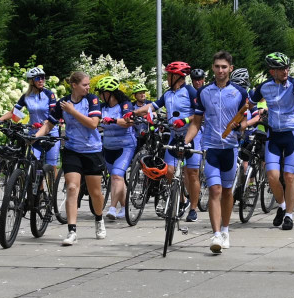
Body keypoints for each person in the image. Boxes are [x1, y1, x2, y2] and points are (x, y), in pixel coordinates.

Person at [183, 51, 249, 253]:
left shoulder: (240, 92)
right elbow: (196, 122)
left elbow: (244, 120)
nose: (220, 70)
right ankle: (216, 234)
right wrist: (186, 141)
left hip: (230, 148)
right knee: (215, 190)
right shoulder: (204, 92)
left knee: (227, 191)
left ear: (230, 68)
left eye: (224, 67)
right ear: (212, 68)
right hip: (210, 147)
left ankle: (226, 229)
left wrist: (241, 127)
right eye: (217, 66)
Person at [35, 71, 104, 246]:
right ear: (74, 85)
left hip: (92, 150)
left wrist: (72, 112)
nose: (88, 87)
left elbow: (93, 123)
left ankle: (99, 218)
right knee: (72, 188)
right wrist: (35, 137)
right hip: (72, 150)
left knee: (95, 192)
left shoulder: (92, 100)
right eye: (85, 85)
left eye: (88, 84)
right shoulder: (63, 103)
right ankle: (72, 230)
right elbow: (49, 123)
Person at [132, 61, 202, 223]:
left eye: (169, 75)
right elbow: (152, 106)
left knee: (192, 173)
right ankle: (183, 201)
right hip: (174, 135)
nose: (167, 78)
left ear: (177, 77)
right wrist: (133, 113)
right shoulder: (168, 93)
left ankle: (193, 208)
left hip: (191, 135)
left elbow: (200, 114)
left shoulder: (190, 92)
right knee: (169, 170)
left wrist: (185, 120)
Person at [251, 52, 294, 230]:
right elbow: (250, 102)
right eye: (280, 69)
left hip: (292, 132)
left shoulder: (293, 83)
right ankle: (282, 206)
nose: (285, 71)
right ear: (272, 71)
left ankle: (289, 216)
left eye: (286, 68)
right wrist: (258, 108)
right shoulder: (264, 86)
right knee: (272, 176)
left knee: (290, 176)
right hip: (274, 134)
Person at [0, 66, 60, 177]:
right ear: (31, 81)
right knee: (34, 164)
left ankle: (52, 193)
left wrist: (46, 122)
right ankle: (38, 191)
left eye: (43, 78)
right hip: (34, 135)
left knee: (51, 165)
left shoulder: (49, 94)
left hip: (50, 133)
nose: (41, 80)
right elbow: (14, 113)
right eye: (37, 78)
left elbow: (53, 113)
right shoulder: (26, 97)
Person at [94, 76, 137, 221]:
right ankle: (124, 208)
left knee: (117, 176)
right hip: (108, 147)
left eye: (102, 92)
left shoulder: (124, 105)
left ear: (109, 93)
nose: (100, 95)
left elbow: (129, 122)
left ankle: (112, 208)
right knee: (117, 179)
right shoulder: (102, 107)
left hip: (125, 146)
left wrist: (112, 120)